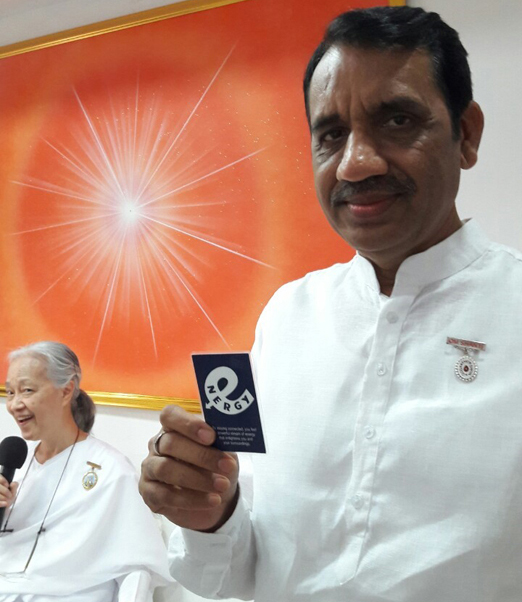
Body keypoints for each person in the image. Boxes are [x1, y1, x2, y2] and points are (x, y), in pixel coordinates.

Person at [139, 6, 522, 602]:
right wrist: (212, 511)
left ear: (466, 135)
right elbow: (240, 569)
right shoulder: (288, 316)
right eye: (331, 134)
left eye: (397, 120)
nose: (355, 162)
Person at [0, 341, 172, 601]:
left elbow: (137, 569)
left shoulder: (110, 469)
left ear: (66, 390)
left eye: (27, 390)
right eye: (10, 392)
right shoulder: (16, 465)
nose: (15, 404)